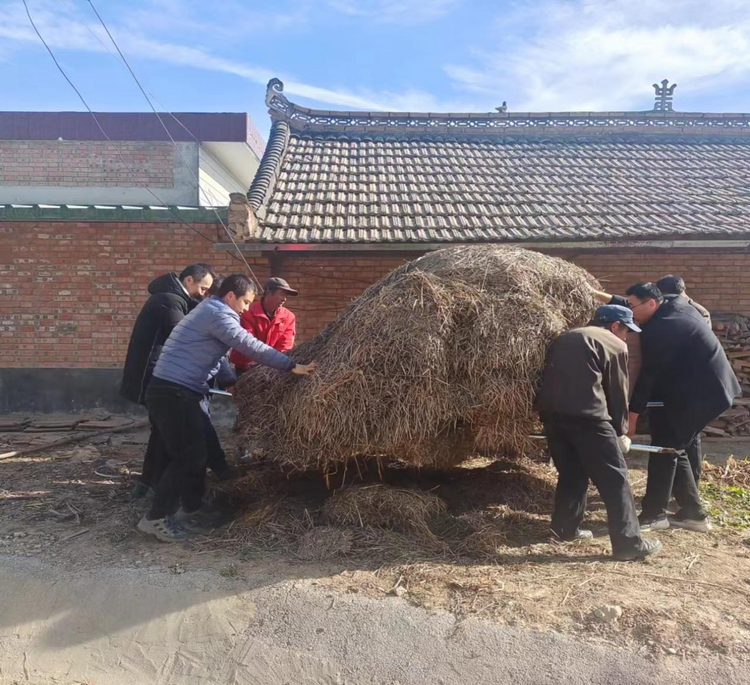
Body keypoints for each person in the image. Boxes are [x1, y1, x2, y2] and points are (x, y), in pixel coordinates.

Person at [137, 274, 317, 542]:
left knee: (199, 450)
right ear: (230, 296)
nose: (246, 308)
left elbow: (220, 353)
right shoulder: (218, 313)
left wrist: (230, 381)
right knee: (188, 456)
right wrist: (290, 366)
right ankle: (155, 518)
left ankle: (192, 506)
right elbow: (248, 345)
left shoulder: (209, 311)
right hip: (173, 392)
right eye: (245, 302)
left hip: (180, 390)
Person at [601, 282, 739, 532]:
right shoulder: (672, 306)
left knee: (665, 449)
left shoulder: (661, 328)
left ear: (651, 303)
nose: (629, 312)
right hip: (697, 388)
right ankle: (693, 514)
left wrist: (632, 417)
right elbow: (633, 303)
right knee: (673, 448)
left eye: (632, 306)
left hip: (703, 393)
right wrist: (603, 295)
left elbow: (648, 375)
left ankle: (655, 514)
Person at [536, 305, 661, 561]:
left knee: (571, 473)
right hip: (590, 420)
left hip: (552, 417)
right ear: (615, 325)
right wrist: (621, 431)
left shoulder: (566, 336)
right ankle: (629, 544)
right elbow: (617, 391)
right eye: (626, 330)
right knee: (616, 482)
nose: (627, 336)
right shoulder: (614, 344)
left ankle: (563, 530)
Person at [120, 264, 217, 497]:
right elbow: (182, 336)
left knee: (161, 433)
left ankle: (148, 484)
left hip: (156, 375)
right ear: (190, 280)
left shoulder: (172, 299)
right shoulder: (169, 301)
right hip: (153, 377)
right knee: (167, 433)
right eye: (203, 288)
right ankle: (156, 488)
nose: (203, 294)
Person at [230, 277, 298, 373]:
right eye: (281, 294)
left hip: (273, 370)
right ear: (268, 293)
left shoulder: (288, 317)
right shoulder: (247, 312)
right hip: (246, 368)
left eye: (286, 295)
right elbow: (247, 344)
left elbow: (285, 347)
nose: (284, 299)